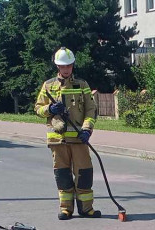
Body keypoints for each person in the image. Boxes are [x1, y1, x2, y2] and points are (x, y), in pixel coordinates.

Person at [34, 47, 100, 220]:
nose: (66, 69)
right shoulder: (48, 86)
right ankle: (66, 209)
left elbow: (91, 110)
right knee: (62, 175)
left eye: (69, 66)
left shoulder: (82, 85)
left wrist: (86, 130)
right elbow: (38, 109)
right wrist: (50, 108)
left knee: (84, 174)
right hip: (58, 140)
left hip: (79, 139)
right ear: (57, 66)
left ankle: (86, 208)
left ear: (72, 65)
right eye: (63, 66)